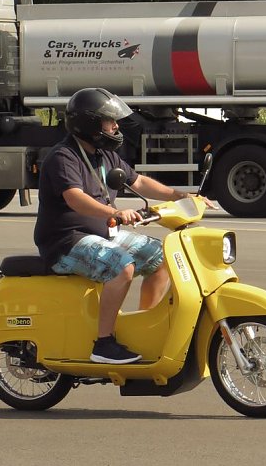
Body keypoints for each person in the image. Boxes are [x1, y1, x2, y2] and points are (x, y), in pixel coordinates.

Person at [34, 87, 207, 364]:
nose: (115, 126)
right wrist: (114, 211)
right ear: (90, 123)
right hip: (66, 241)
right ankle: (103, 344)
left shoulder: (105, 155)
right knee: (122, 265)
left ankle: (143, 324)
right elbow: (75, 199)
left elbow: (137, 181)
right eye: (109, 121)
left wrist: (181, 195)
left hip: (100, 234)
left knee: (162, 257)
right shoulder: (63, 157)